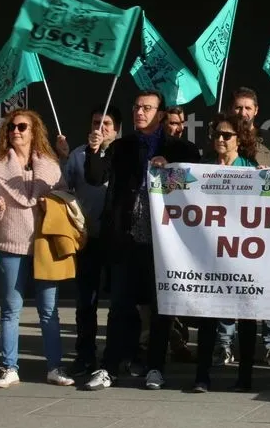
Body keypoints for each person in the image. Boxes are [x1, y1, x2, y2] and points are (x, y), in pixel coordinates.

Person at [83, 90, 200, 392]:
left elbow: (194, 181)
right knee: (120, 306)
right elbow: (96, 177)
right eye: (136, 107)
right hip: (125, 240)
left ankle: (156, 368)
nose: (140, 112)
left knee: (161, 309)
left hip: (164, 244)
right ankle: (108, 366)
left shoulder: (181, 148)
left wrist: (171, 167)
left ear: (161, 114)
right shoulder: (121, 146)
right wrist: (95, 151)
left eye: (147, 108)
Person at [0, 109, 73, 388]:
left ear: (34, 131)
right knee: (11, 308)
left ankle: (55, 367)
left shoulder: (50, 165)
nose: (16, 131)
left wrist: (54, 201)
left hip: (44, 245)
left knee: (49, 310)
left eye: (22, 126)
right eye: (11, 127)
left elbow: (66, 196)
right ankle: (9, 367)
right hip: (9, 245)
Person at [215, 87, 270, 368]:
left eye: (248, 108)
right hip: (228, 230)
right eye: (238, 107)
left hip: (263, 230)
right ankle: (225, 344)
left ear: (256, 111)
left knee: (266, 289)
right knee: (229, 289)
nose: (242, 112)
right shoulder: (222, 137)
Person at [193, 113, 260, 392]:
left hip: (243, 253)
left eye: (227, 135)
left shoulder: (252, 169)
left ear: (239, 140)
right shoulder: (202, 168)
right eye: (217, 134)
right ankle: (201, 376)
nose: (220, 139)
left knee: (246, 315)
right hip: (211, 252)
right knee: (208, 314)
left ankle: (244, 376)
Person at [56, 104, 122, 377]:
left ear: (117, 130)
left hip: (117, 239)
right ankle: (85, 354)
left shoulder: (124, 154)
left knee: (119, 304)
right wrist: (61, 159)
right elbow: (64, 188)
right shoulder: (78, 155)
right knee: (86, 302)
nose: (100, 128)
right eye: (96, 123)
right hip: (87, 239)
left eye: (106, 124)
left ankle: (115, 356)